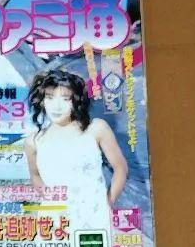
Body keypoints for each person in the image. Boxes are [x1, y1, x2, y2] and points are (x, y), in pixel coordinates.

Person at [25, 69, 128, 231]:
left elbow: (120, 168)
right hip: (54, 223)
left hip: (94, 219)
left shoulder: (96, 129)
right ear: (42, 101)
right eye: (50, 97)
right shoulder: (34, 141)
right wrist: (53, 199)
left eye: (65, 99)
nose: (56, 106)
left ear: (76, 101)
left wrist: (107, 202)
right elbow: (35, 176)